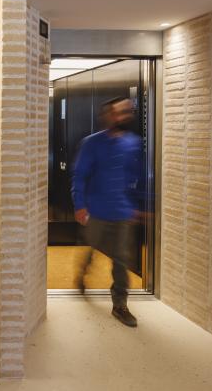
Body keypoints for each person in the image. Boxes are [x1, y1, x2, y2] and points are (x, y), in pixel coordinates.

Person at [71, 96, 143, 328]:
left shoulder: (133, 143)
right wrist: (79, 205)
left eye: (125, 112)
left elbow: (138, 176)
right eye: (116, 112)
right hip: (96, 209)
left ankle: (120, 305)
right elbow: (80, 176)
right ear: (107, 116)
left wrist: (140, 206)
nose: (121, 116)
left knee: (121, 258)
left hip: (122, 210)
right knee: (91, 247)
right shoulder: (92, 143)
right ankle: (82, 274)